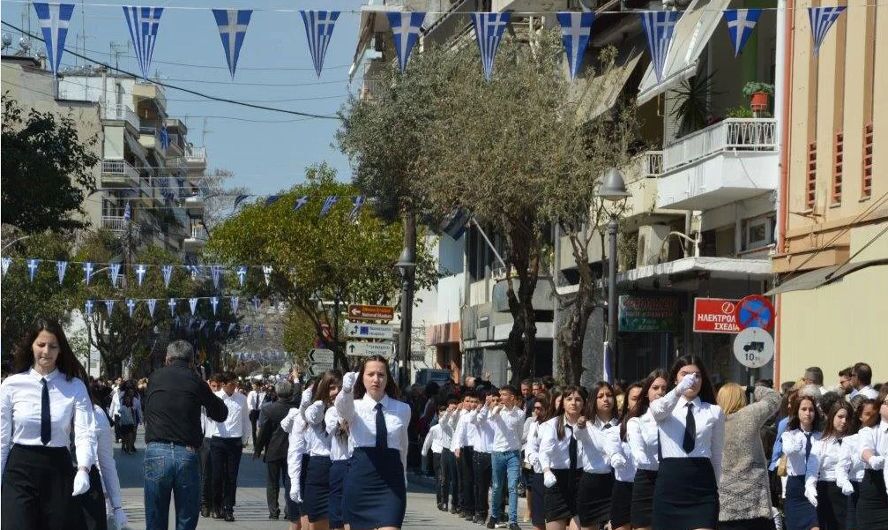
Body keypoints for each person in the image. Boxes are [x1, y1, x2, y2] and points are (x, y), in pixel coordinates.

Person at [0, 320, 97, 530]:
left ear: (60, 349)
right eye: (41, 345)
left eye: (53, 346)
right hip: (20, 469)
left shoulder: (75, 386)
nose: (46, 351)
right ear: (31, 346)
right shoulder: (11, 386)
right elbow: (1, 438)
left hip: (58, 470)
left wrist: (83, 468)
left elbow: (84, 432)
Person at [142, 340, 227, 530]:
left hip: (156, 449)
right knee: (186, 518)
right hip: (186, 453)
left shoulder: (155, 377)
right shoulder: (196, 381)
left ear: (167, 359)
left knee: (155, 517)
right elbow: (221, 413)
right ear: (191, 361)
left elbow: (147, 408)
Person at [335, 355, 412, 529]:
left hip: (392, 483)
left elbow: (403, 446)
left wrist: (404, 477)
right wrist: (346, 390)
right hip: (360, 480)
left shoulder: (402, 409)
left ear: (387, 378)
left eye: (381, 374)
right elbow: (342, 408)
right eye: (370, 374)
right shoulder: (354, 406)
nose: (376, 379)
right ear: (362, 378)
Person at [650, 354, 725, 530]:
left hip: (702, 486)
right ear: (675, 379)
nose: (692, 379)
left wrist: (717, 487)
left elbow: (717, 453)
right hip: (670, 484)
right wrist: (678, 390)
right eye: (685, 374)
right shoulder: (664, 406)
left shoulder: (714, 411)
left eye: (697, 375)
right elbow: (659, 410)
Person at [717, 381, 781, 530]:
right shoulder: (749, 415)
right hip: (755, 502)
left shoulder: (714, 422)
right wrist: (750, 388)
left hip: (725, 505)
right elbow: (774, 397)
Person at [539, 385, 586, 530]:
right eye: (569, 399)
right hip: (557, 480)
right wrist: (546, 471)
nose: (573, 403)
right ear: (563, 403)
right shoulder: (552, 425)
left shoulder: (589, 424)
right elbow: (544, 451)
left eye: (578, 399)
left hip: (580, 479)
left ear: (583, 403)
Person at [477, 384, 524, 530]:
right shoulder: (497, 410)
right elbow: (486, 419)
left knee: (512, 487)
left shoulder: (520, 413)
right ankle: (494, 515)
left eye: (504, 395)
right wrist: (491, 407)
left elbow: (520, 433)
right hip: (497, 453)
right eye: (500, 394)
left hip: (513, 454)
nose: (501, 397)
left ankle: (513, 521)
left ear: (512, 397)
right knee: (497, 487)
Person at [206, 371, 250, 522]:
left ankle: (228, 508)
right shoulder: (216, 397)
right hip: (218, 440)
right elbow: (209, 417)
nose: (235, 386)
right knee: (217, 476)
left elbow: (245, 420)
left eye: (236, 383)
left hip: (234, 441)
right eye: (232, 383)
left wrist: (245, 438)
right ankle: (216, 505)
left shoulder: (242, 399)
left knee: (231, 477)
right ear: (224, 384)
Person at [255, 381, 300, 526]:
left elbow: (263, 432)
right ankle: (289, 510)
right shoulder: (296, 408)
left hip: (273, 450)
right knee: (289, 481)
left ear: (276, 392)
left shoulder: (269, 409)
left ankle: (273, 511)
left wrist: (258, 449)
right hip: (291, 450)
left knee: (272, 482)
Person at [575, 381, 619, 530]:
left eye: (609, 395)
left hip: (614, 482)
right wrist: (580, 424)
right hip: (591, 483)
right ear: (594, 400)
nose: (606, 399)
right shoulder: (587, 425)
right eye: (600, 396)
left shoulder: (621, 424)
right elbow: (578, 433)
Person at [627, 371, 668, 530]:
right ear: (647, 393)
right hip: (647, 477)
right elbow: (637, 450)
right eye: (655, 388)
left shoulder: (676, 420)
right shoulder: (637, 422)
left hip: (670, 477)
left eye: (664, 388)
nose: (660, 392)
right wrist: (640, 457)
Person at [303, 370, 343, 530]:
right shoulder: (317, 408)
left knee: (340, 523)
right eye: (332, 388)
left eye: (340, 388)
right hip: (319, 467)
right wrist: (320, 400)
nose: (336, 392)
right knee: (317, 522)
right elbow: (312, 416)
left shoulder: (350, 409)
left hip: (342, 466)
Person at [807, 400, 855, 530]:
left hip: (851, 490)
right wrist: (810, 486)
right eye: (840, 417)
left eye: (847, 417)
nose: (844, 421)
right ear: (832, 416)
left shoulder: (854, 440)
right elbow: (812, 469)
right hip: (828, 491)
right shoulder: (821, 442)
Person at [835, 399, 879, 529]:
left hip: (878, 490)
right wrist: (844, 482)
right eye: (868, 414)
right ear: (860, 416)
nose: (872, 418)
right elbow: (841, 467)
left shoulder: (883, 438)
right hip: (856, 490)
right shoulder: (850, 441)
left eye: (875, 414)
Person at [782, 393, 823, 530]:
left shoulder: (820, 436)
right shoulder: (789, 435)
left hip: (815, 485)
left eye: (811, 410)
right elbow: (787, 449)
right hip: (796, 486)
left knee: (815, 525)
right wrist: (795, 446)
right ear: (797, 411)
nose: (808, 413)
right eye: (804, 409)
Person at [609, 381, 643, 530]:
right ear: (627, 403)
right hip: (623, 488)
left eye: (643, 398)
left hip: (647, 486)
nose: (639, 402)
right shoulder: (617, 430)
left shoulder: (657, 427)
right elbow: (612, 449)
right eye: (635, 398)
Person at [857, 385, 888, 528]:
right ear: (880, 405)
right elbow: (865, 449)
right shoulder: (869, 431)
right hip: (875, 493)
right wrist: (872, 459)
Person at [452, 391, 482, 520]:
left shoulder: (482, 415)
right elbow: (460, 433)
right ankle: (467, 509)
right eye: (470, 402)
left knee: (478, 481)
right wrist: (458, 447)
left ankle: (477, 509)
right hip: (466, 449)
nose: (473, 404)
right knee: (467, 480)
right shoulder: (464, 416)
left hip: (479, 449)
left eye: (475, 402)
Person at [524, 392, 551, 530]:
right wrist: (533, 457)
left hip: (555, 472)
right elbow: (530, 446)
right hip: (539, 472)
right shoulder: (534, 425)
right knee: (539, 517)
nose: (536, 411)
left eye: (539, 408)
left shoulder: (554, 424)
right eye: (535, 408)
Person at [200, 374, 223, 518]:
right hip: (206, 439)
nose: (215, 389)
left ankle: (217, 505)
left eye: (218, 386)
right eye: (213, 386)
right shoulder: (203, 400)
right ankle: (204, 504)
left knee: (219, 475)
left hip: (221, 439)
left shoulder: (223, 400)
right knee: (205, 474)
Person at [421, 403, 448, 507]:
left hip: (447, 453)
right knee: (439, 477)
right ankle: (440, 500)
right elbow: (428, 440)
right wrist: (424, 452)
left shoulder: (450, 427)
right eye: (441, 415)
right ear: (438, 415)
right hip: (437, 453)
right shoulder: (434, 428)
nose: (443, 418)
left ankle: (445, 500)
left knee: (446, 478)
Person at [248, 380, 266, 448]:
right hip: (253, 411)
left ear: (258, 386)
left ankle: (261, 443)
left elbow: (264, 403)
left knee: (261, 427)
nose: (253, 386)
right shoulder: (251, 393)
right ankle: (255, 444)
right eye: (252, 385)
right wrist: (251, 409)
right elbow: (249, 402)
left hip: (260, 411)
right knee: (254, 428)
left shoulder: (263, 393)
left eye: (254, 385)